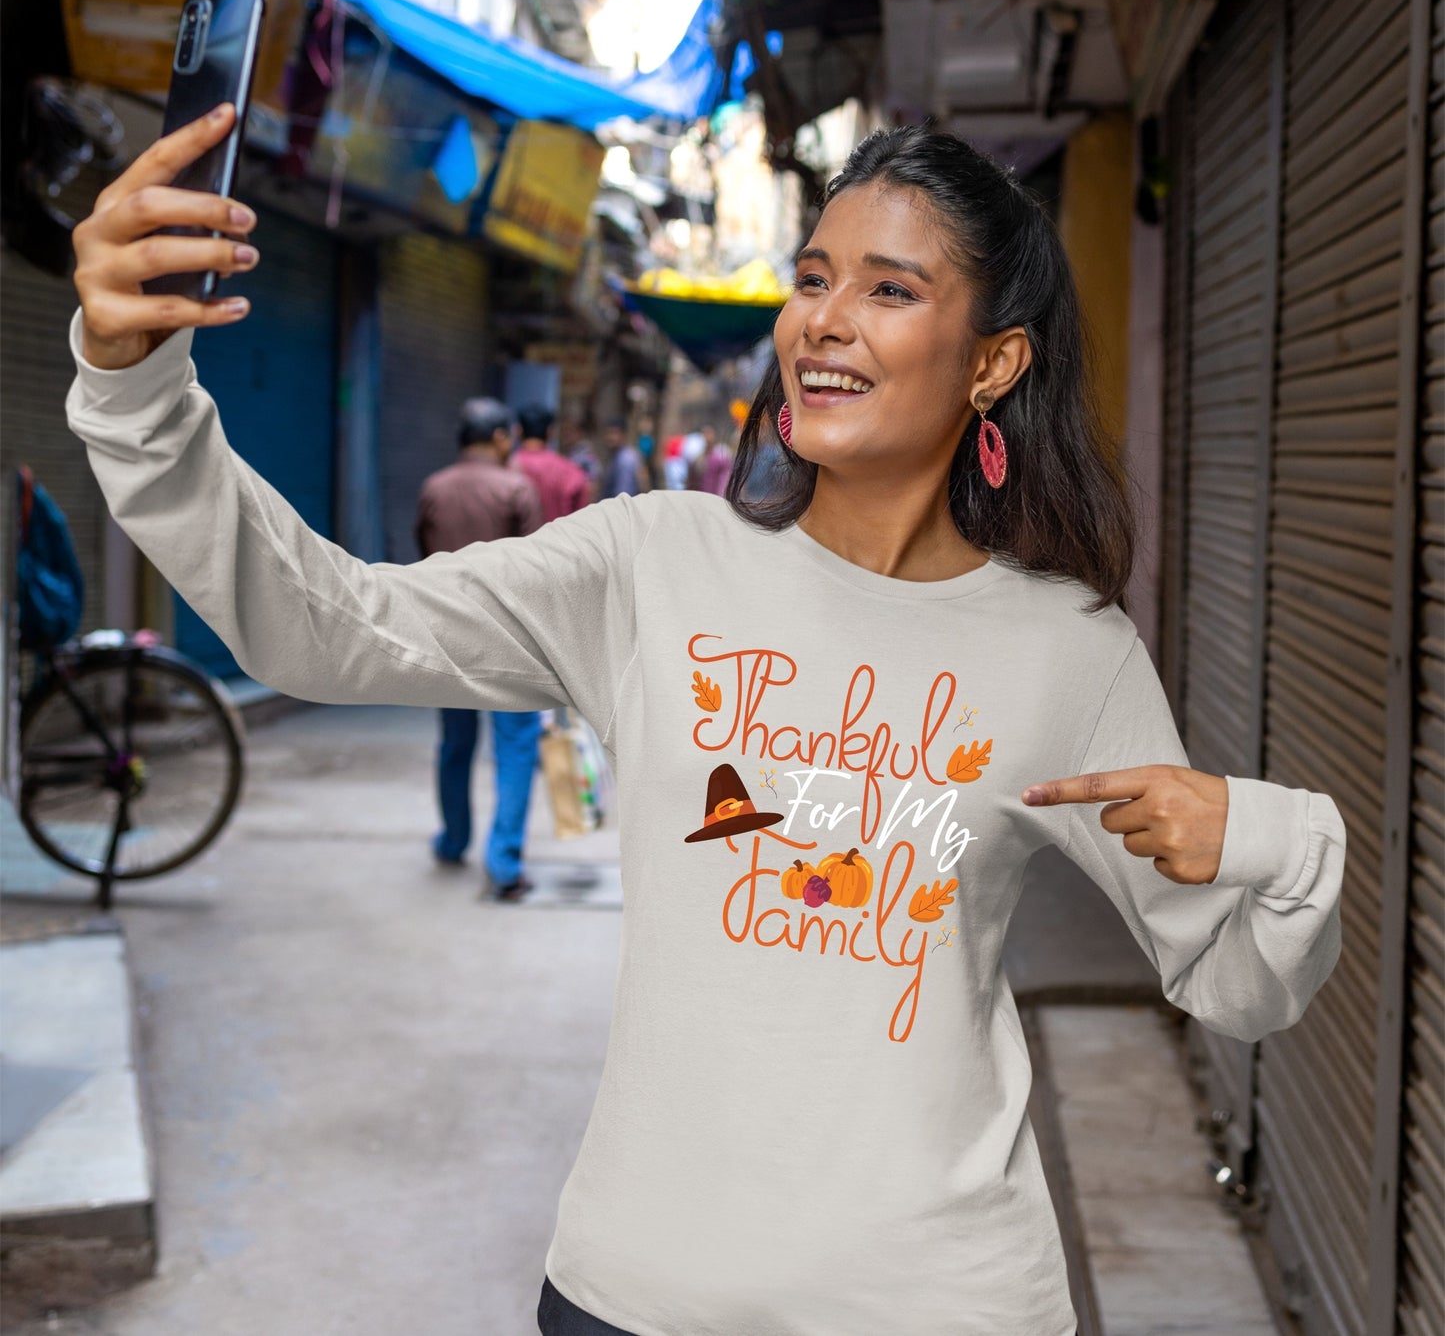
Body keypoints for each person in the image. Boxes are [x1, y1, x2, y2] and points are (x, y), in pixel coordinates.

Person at [67, 107, 1346, 1336]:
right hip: (639, 1294)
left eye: (888, 290)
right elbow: (324, 624)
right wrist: (139, 398)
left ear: (995, 360)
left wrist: (1276, 838)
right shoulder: (652, 562)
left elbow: (1231, 983)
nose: (823, 324)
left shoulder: (1065, 650)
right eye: (811, 277)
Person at [415, 397, 544, 900]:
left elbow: (423, 559)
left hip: (447, 637)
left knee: (455, 745)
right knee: (515, 748)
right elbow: (540, 573)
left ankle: (452, 841)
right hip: (509, 643)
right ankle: (504, 862)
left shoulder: (433, 489)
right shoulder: (516, 488)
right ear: (498, 438)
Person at [512, 404, 592, 523]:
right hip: (558, 541)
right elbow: (582, 521)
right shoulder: (571, 471)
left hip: (511, 542)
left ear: (518, 431)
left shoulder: (505, 467)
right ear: (550, 432)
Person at [599, 419, 645, 499]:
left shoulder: (625, 459)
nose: (610, 437)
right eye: (608, 433)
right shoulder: (615, 456)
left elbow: (623, 493)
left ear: (623, 435)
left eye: (614, 433)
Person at [684, 422, 734, 496]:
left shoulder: (721, 454)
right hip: (701, 495)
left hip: (716, 496)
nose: (706, 437)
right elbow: (692, 478)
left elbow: (725, 478)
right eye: (704, 434)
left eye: (708, 434)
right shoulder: (698, 456)